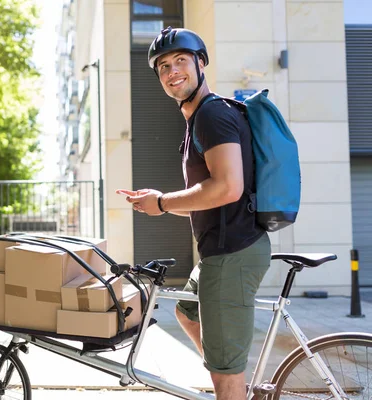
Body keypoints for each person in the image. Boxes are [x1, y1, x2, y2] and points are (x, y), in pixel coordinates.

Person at [116, 27, 271, 399]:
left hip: (232, 254)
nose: (172, 72)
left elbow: (228, 187)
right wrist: (159, 201)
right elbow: (214, 199)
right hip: (219, 250)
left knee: (226, 371)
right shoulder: (197, 119)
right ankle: (230, 378)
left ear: (200, 63)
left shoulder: (212, 115)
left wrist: (164, 202)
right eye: (164, 66)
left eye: (181, 61)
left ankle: (230, 383)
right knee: (187, 312)